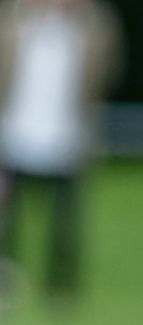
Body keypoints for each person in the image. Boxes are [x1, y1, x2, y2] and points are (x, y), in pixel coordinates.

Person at [0, 0, 122, 303]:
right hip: (14, 133)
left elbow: (107, 69)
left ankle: (61, 287)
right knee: (8, 217)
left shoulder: (93, 27)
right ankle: (6, 280)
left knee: (64, 220)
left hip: (67, 136)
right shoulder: (14, 21)